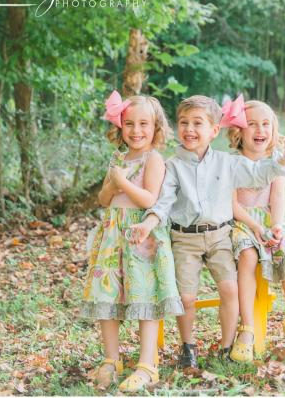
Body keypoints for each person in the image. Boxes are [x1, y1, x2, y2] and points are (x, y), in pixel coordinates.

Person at [129, 95, 285, 367]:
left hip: (220, 236)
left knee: (229, 290)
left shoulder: (226, 162)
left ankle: (226, 345)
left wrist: (281, 161)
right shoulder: (172, 165)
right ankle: (188, 346)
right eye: (184, 122)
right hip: (186, 238)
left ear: (214, 130)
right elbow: (162, 204)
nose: (190, 129)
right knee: (186, 296)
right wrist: (147, 224)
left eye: (198, 123)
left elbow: (257, 174)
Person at [82, 92, 183, 392]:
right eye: (129, 124)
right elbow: (102, 199)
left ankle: (147, 364)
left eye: (143, 124)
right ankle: (112, 360)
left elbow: (149, 199)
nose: (136, 131)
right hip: (113, 236)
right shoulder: (117, 159)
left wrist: (122, 182)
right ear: (120, 126)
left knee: (144, 297)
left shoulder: (153, 159)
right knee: (107, 296)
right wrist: (113, 183)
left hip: (141, 236)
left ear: (156, 128)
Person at [226, 98, 285, 363]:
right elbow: (232, 205)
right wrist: (257, 227)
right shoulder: (230, 163)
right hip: (241, 221)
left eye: (266, 124)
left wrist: (275, 225)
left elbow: (278, 198)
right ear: (239, 131)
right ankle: (247, 328)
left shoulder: (276, 162)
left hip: (269, 218)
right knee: (248, 254)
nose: (260, 130)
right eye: (252, 124)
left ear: (273, 131)